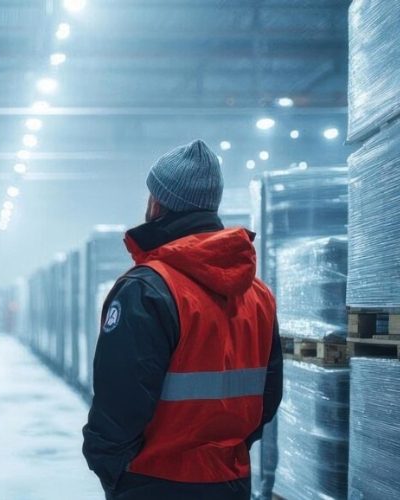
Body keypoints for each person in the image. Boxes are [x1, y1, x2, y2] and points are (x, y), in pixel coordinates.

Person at [82, 139, 283, 500]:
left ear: (157, 204)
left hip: (152, 481)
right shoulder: (259, 295)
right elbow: (268, 397)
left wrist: (110, 466)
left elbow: (120, 400)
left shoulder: (148, 289)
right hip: (230, 482)